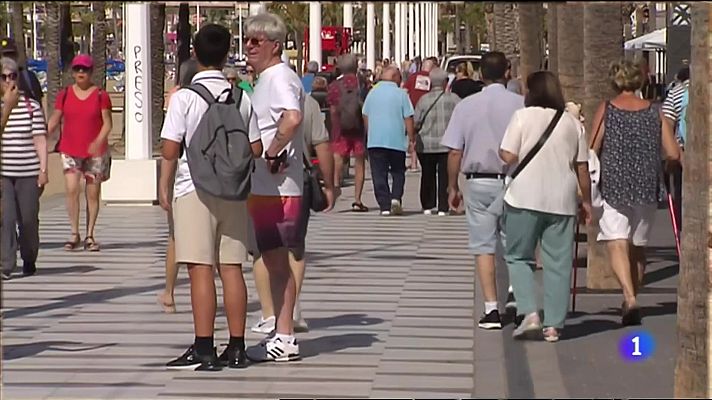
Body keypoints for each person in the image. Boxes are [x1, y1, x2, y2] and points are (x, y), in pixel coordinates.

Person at [160, 24, 263, 371]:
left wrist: (163, 187)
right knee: (231, 267)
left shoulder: (185, 97)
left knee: (200, 269)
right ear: (225, 54)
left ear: (195, 55)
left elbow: (170, 149)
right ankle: (236, 347)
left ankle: (204, 346)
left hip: (195, 190)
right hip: (233, 192)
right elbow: (257, 147)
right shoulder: (241, 97)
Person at [499, 71, 592, 342]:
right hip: (561, 200)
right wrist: (585, 200)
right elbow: (582, 168)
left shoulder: (521, 117)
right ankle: (554, 324)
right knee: (559, 262)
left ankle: (529, 312)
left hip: (523, 196)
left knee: (518, 255)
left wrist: (501, 154)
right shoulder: (572, 124)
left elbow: (509, 154)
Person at [590, 60, 680, 326]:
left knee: (616, 241)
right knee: (638, 247)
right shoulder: (655, 111)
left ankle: (629, 298)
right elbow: (673, 152)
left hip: (614, 184)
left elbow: (592, 147)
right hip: (646, 185)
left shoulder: (607, 109)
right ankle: (631, 297)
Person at [441, 51, 525, 330]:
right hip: (515, 180)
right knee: (516, 243)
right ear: (507, 72)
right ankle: (517, 297)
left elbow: (455, 151)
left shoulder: (466, 106)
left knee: (483, 246)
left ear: (480, 74)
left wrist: (453, 187)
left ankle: (491, 309)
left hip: (478, 181)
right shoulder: (521, 104)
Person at [242, 12, 308, 363]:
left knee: (278, 264)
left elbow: (293, 117)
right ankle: (282, 331)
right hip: (267, 187)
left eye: (257, 41)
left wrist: (273, 150)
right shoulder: (265, 78)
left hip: (279, 189)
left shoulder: (280, 77)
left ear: (275, 46)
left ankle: (285, 335)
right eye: (248, 40)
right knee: (273, 261)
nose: (249, 46)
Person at [251, 85, 338, 335]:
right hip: (296, 181)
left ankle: (270, 313)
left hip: (263, 182)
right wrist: (329, 183)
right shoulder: (307, 103)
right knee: (295, 249)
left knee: (262, 250)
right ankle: (292, 310)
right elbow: (321, 144)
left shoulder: (257, 98)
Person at [46, 54, 112, 253]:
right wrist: (42, 135)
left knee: (92, 193)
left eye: (84, 69)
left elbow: (107, 124)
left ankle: (90, 234)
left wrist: (98, 141)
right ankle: (74, 233)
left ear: (91, 72)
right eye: (77, 69)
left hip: (95, 152)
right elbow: (55, 119)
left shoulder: (101, 95)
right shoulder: (64, 94)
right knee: (72, 189)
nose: (80, 73)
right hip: (70, 149)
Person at [157, 57, 199, 313]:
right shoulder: (225, 94)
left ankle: (170, 293)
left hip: (185, 179)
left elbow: (170, 148)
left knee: (175, 237)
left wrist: (164, 185)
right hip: (219, 180)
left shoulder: (179, 98)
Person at [0, 57, 48, 280]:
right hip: (4, 174)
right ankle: (6, 264)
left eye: (13, 76)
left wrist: (44, 170)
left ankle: (29, 256)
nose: (9, 81)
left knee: (28, 219)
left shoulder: (32, 107)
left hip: (28, 171)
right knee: (6, 218)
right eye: (4, 77)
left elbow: (39, 139)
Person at [362, 66, 415, 216]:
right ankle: (396, 198)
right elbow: (408, 117)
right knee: (398, 171)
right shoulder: (401, 94)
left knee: (379, 173)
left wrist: (370, 132)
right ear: (395, 77)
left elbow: (365, 115)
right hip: (396, 140)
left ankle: (384, 206)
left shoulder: (372, 93)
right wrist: (411, 138)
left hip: (376, 140)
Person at [414, 67, 461, 215]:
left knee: (427, 174)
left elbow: (417, 120)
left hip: (427, 143)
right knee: (445, 175)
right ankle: (443, 206)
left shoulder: (423, 100)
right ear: (446, 81)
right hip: (447, 144)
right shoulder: (454, 99)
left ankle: (427, 204)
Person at [328, 53, 369, 212]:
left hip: (340, 129)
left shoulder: (334, 86)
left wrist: (334, 125)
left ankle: (336, 186)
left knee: (338, 157)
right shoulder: (361, 84)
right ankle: (357, 199)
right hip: (358, 128)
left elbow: (332, 109)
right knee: (359, 163)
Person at [661, 66, 688, 236]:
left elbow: (667, 123)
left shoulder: (676, 92)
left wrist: (673, 155)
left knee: (685, 202)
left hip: (683, 156)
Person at [0, 37, 43, 103]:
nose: (9, 59)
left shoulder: (29, 78)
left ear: (17, 56)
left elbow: (40, 101)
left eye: (12, 55)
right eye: (5, 55)